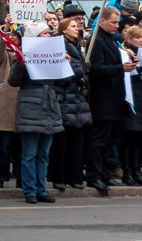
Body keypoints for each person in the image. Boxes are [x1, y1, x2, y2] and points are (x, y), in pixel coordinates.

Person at [9, 20, 64, 203]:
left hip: (49, 105)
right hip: (31, 106)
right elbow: (14, 81)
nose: (49, 35)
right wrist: (20, 64)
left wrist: (65, 63)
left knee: (43, 153)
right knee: (30, 152)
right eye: (44, 33)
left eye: (49, 33)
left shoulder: (54, 52)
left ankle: (41, 189)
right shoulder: (25, 53)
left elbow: (62, 81)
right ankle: (30, 190)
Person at [86, 6, 134, 194]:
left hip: (114, 99)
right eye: (113, 22)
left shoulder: (111, 41)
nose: (117, 26)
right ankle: (94, 176)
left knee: (109, 140)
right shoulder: (97, 40)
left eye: (118, 23)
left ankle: (105, 174)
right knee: (99, 140)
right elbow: (95, 69)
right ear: (102, 21)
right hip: (102, 99)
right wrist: (120, 68)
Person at [48, 17, 92, 190]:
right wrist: (81, 69)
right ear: (63, 29)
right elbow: (64, 72)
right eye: (72, 26)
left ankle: (73, 177)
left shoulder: (76, 46)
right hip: (63, 97)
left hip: (74, 98)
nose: (76, 28)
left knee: (75, 140)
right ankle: (58, 177)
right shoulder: (59, 46)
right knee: (61, 141)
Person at [119, 26, 142, 186]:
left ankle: (136, 171)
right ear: (128, 38)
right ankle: (127, 172)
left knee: (140, 137)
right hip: (129, 97)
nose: (141, 41)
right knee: (129, 137)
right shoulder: (123, 52)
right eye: (137, 38)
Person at [0, 14, 22, 188]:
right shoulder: (5, 57)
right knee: (5, 144)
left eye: (15, 36)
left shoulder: (28, 53)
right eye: (10, 36)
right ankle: (0, 177)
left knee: (22, 145)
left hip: (25, 103)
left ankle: (21, 178)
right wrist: (5, 27)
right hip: (7, 102)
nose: (12, 38)